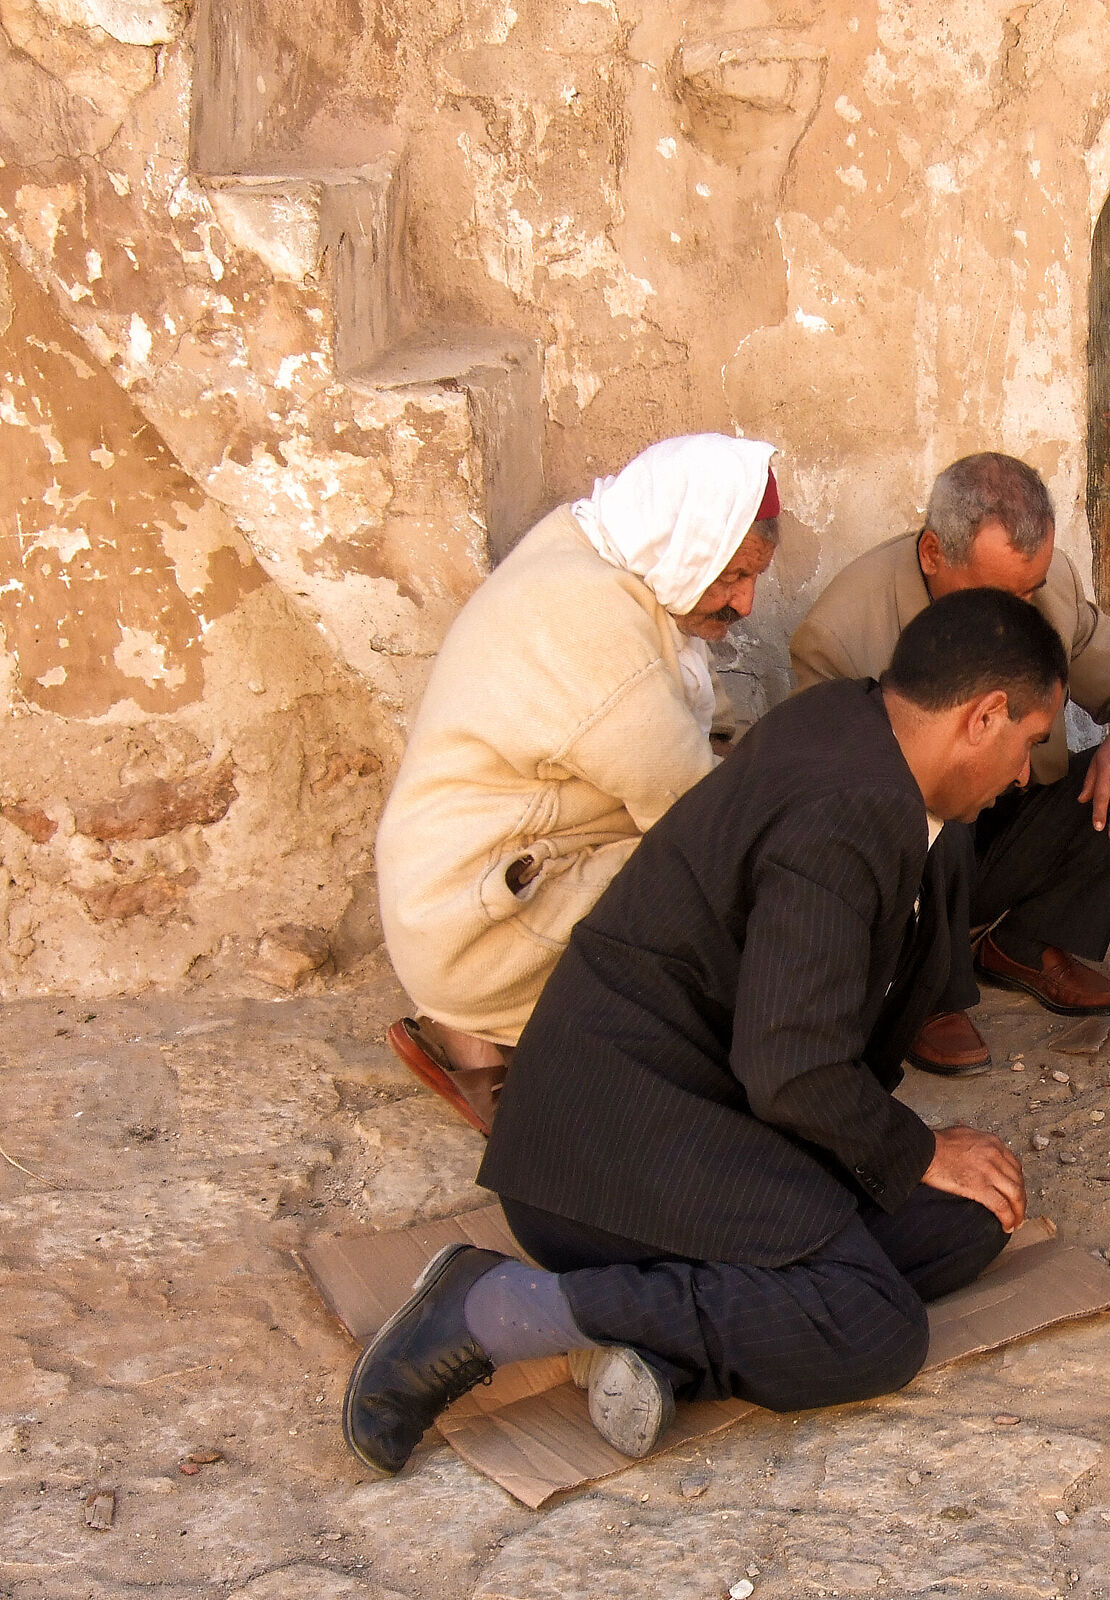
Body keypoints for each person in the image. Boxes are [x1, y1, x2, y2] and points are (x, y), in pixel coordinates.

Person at [342, 589, 1065, 1475]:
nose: (1027, 773)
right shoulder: (846, 814)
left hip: (718, 1110)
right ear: (984, 715)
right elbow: (792, 1069)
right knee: (871, 1328)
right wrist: (913, 1150)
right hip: (609, 1144)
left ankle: (653, 1342)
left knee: (969, 1219)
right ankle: (493, 1307)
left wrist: (914, 1162)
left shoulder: (863, 730)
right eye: (1030, 741)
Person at [373, 434, 783, 1134]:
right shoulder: (588, 620)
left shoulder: (598, 549)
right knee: (736, 898)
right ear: (682, 543)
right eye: (730, 575)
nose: (744, 602)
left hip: (472, 889)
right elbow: (698, 820)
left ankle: (499, 1032)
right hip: (471, 927)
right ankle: (488, 1028)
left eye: (752, 579)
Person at [791, 451, 1110, 1074]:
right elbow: (830, 813)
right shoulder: (839, 635)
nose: (1018, 612)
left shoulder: (1046, 586)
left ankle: (1021, 942)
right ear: (933, 555)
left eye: (1028, 591)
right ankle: (927, 990)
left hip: (1010, 831)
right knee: (936, 784)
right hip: (920, 857)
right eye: (1000, 592)